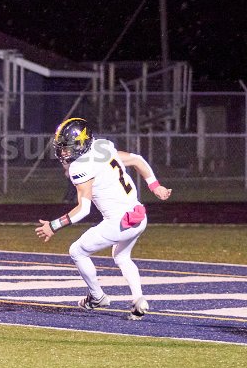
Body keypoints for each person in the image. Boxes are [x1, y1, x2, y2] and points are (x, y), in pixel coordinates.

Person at [35, 117, 172, 320]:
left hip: (119, 223)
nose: (63, 152)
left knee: (77, 251)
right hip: (138, 215)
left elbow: (84, 210)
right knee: (122, 257)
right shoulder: (101, 147)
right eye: (62, 148)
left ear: (81, 144)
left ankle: (97, 296)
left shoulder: (80, 166)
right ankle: (139, 299)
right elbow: (137, 159)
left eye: (67, 147)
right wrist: (155, 186)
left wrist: (53, 225)